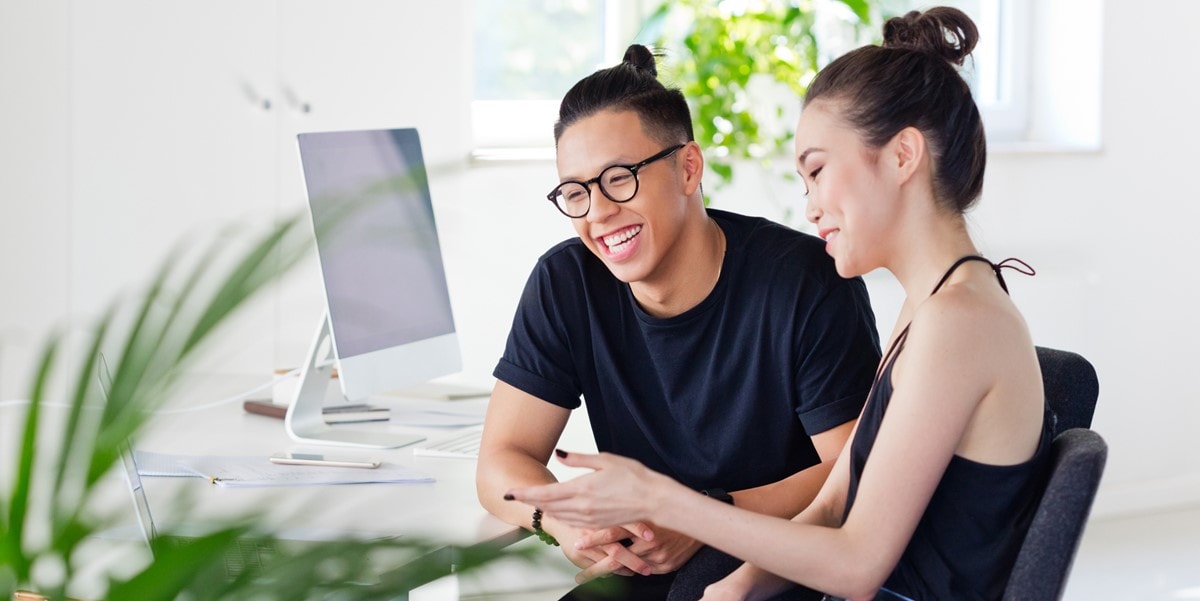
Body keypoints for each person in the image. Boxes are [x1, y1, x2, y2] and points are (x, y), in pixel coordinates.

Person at [505, 7, 1053, 601]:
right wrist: (737, 587)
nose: (810, 206)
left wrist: (669, 502)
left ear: (902, 157)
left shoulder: (961, 324)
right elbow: (837, 500)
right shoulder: (931, 307)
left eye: (817, 171)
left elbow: (858, 564)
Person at [476, 44, 882, 600]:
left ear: (688, 167)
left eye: (619, 179)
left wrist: (701, 516)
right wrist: (566, 525)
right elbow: (502, 460)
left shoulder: (805, 282)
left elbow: (852, 471)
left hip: (774, 569)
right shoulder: (566, 282)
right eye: (575, 192)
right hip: (644, 570)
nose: (597, 214)